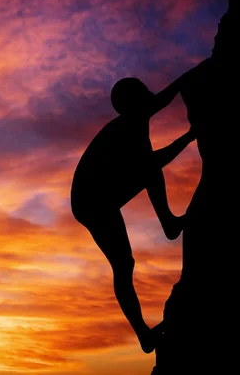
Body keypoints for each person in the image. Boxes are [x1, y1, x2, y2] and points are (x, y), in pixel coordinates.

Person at [70, 69, 196, 353]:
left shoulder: (134, 121)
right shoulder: (127, 125)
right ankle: (169, 224)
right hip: (91, 200)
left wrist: (190, 74)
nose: (150, 95)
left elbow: (164, 98)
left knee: (124, 266)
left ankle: (143, 335)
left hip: (98, 196)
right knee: (123, 265)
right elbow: (154, 161)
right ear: (132, 102)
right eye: (143, 93)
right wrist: (189, 137)